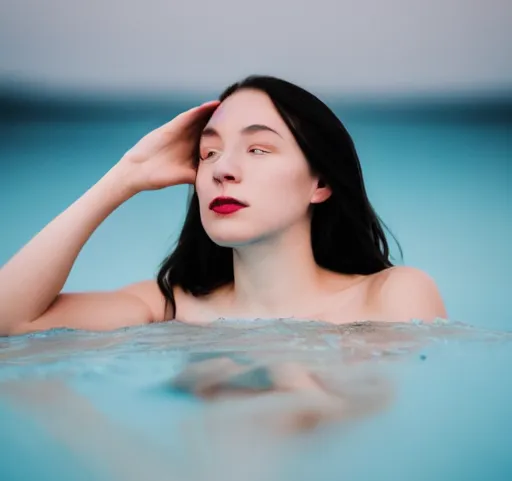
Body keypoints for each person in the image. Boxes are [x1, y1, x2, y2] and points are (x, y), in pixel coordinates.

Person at [0, 75, 447, 337]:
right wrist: (125, 176)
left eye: (257, 149)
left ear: (322, 182)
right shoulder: (169, 307)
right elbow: (10, 321)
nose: (221, 170)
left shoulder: (392, 296)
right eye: (208, 153)